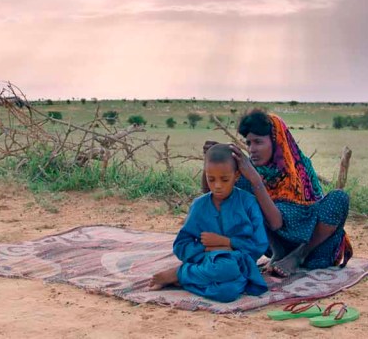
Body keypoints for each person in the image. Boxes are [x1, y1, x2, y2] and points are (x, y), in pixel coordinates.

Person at [209, 110, 352, 277]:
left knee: (339, 198)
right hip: (277, 248)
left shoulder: (298, 168)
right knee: (241, 192)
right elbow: (216, 201)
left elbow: (277, 223)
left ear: (276, 141)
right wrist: (212, 158)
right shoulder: (253, 174)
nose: (252, 149)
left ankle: (298, 255)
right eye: (248, 143)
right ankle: (278, 253)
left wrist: (256, 180)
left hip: (317, 250)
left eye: (258, 142)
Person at [148, 144, 269, 302]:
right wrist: (208, 247)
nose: (217, 186)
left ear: (237, 176)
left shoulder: (248, 203)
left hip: (241, 262)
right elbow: (181, 245)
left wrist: (228, 243)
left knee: (228, 292)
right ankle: (189, 275)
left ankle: (181, 275)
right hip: (208, 260)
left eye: (224, 179)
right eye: (211, 179)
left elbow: (260, 244)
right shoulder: (199, 205)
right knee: (226, 273)